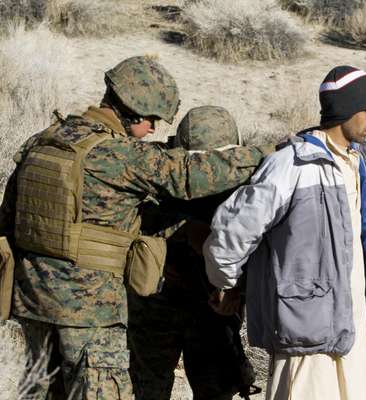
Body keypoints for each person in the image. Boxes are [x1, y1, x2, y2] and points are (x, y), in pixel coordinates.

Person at [0, 56, 272, 399]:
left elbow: (7, 220)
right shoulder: (119, 155)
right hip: (92, 313)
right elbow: (189, 174)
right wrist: (271, 151)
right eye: (152, 120)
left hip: (33, 305)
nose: (154, 131)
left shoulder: (44, 141)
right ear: (135, 112)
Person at [203, 65, 366, 400]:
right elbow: (233, 228)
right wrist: (226, 282)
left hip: (348, 325)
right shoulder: (292, 164)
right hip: (305, 327)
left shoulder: (357, 164)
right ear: (345, 111)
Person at [127, 106, 259, 400]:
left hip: (212, 303)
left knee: (216, 386)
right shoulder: (154, 170)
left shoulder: (245, 179)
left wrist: (234, 290)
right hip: (157, 300)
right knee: (147, 387)